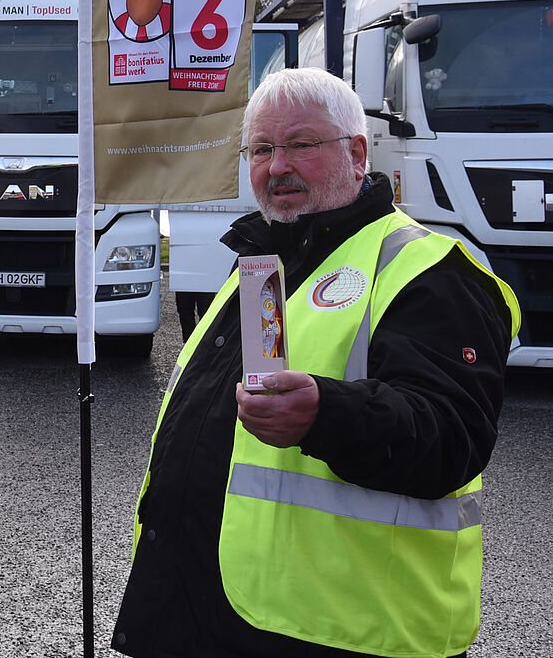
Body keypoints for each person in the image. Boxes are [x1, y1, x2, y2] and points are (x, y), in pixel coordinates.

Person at [112, 67, 521, 658]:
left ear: (356, 154)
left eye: (300, 145)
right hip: (219, 616)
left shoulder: (428, 272)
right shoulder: (261, 263)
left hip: (347, 632)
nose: (277, 166)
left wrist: (324, 415)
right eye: (261, 149)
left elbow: (450, 437)